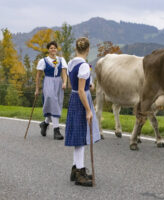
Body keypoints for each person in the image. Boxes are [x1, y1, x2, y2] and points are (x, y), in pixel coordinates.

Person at [65, 37, 100, 187]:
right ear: (88, 49)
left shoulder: (71, 63)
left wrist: (89, 84)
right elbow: (81, 90)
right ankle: (80, 173)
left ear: (76, 48)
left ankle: (75, 169)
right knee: (81, 138)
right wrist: (88, 110)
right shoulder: (84, 66)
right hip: (81, 100)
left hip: (73, 99)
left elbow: (74, 85)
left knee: (79, 136)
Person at [35, 41, 67, 140]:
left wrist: (65, 82)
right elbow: (38, 76)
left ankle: (45, 123)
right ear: (48, 50)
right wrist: (37, 89)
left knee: (56, 104)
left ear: (57, 49)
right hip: (48, 82)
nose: (53, 49)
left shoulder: (61, 60)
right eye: (51, 48)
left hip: (58, 82)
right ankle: (56, 130)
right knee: (52, 101)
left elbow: (64, 73)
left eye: (55, 48)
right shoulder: (43, 61)